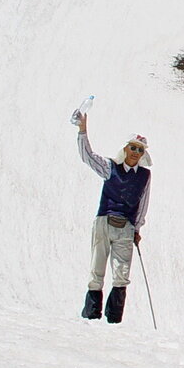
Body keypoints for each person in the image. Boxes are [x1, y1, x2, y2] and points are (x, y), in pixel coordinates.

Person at [76, 113, 152, 323]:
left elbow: (143, 203)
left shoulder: (145, 175)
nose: (136, 152)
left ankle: (114, 318)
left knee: (122, 273)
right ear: (125, 149)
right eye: (133, 148)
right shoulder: (111, 167)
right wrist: (82, 130)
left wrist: (137, 228)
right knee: (97, 268)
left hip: (125, 227)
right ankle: (91, 314)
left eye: (140, 149)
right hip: (104, 221)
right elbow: (88, 156)